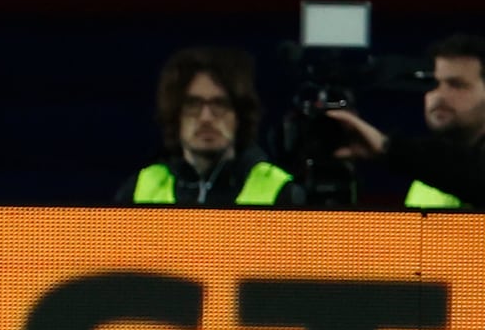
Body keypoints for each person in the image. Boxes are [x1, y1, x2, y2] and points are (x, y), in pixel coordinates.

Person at [114, 46, 306, 207]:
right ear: (175, 114)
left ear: (239, 115)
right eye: (193, 104)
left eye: (219, 104)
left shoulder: (280, 191)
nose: (206, 117)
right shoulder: (140, 190)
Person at [325, 33, 485, 209]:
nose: (439, 95)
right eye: (433, 82)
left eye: (457, 85)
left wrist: (387, 146)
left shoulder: (436, 166)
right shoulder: (429, 172)